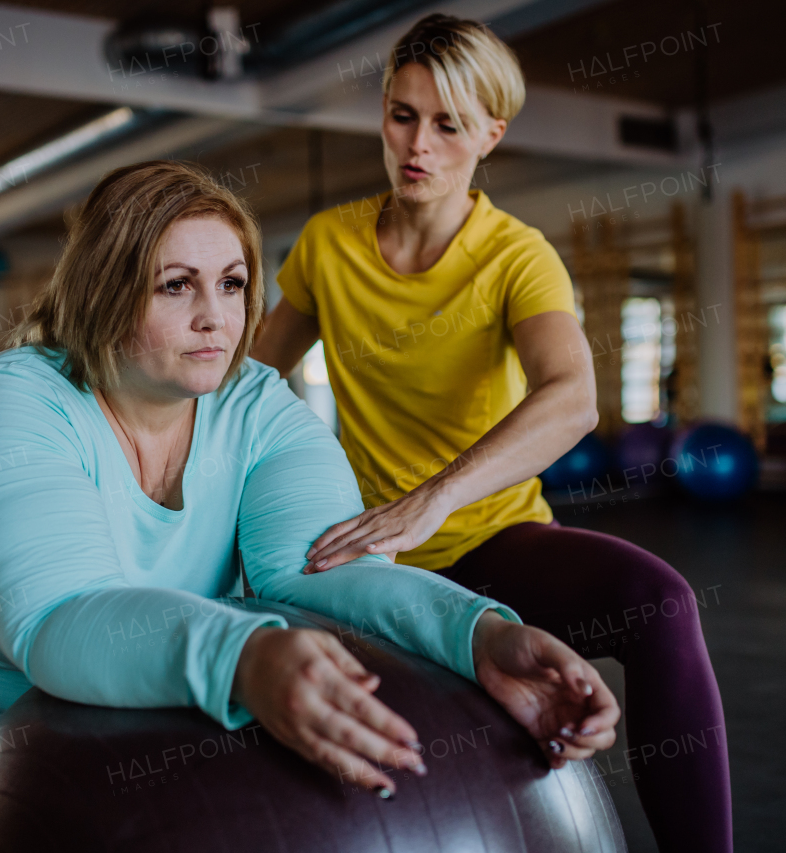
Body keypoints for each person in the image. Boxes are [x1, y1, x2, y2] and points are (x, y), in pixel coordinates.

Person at [0, 160, 620, 853]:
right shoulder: (17, 400)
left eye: (232, 283)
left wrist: (478, 632)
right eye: (175, 285)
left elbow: (324, 571)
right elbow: (58, 619)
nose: (216, 316)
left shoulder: (258, 406)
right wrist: (245, 657)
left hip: (73, 684)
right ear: (106, 290)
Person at [252, 15, 732, 853]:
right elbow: (246, 382)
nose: (418, 145)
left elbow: (574, 397)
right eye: (402, 114)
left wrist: (430, 503)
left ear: (490, 135)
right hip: (366, 558)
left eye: (448, 125)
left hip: (491, 536)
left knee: (663, 603)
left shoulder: (518, 257)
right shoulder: (328, 246)